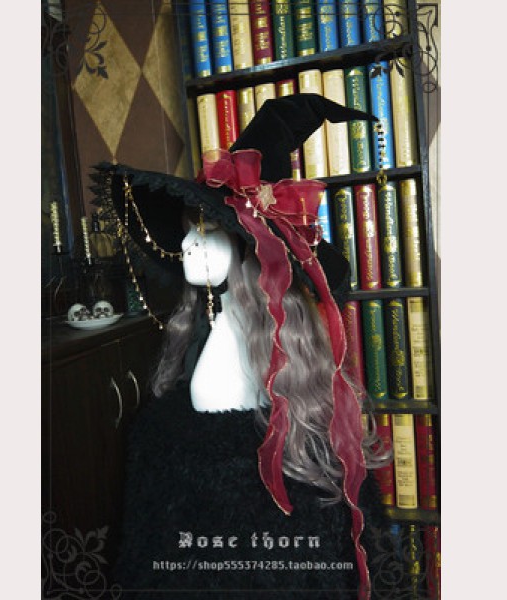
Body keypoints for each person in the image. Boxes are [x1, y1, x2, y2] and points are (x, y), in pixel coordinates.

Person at [92, 95, 395, 599]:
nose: (186, 244)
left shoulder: (227, 350)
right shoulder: (235, 333)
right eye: (187, 229)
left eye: (205, 229)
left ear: (251, 250)